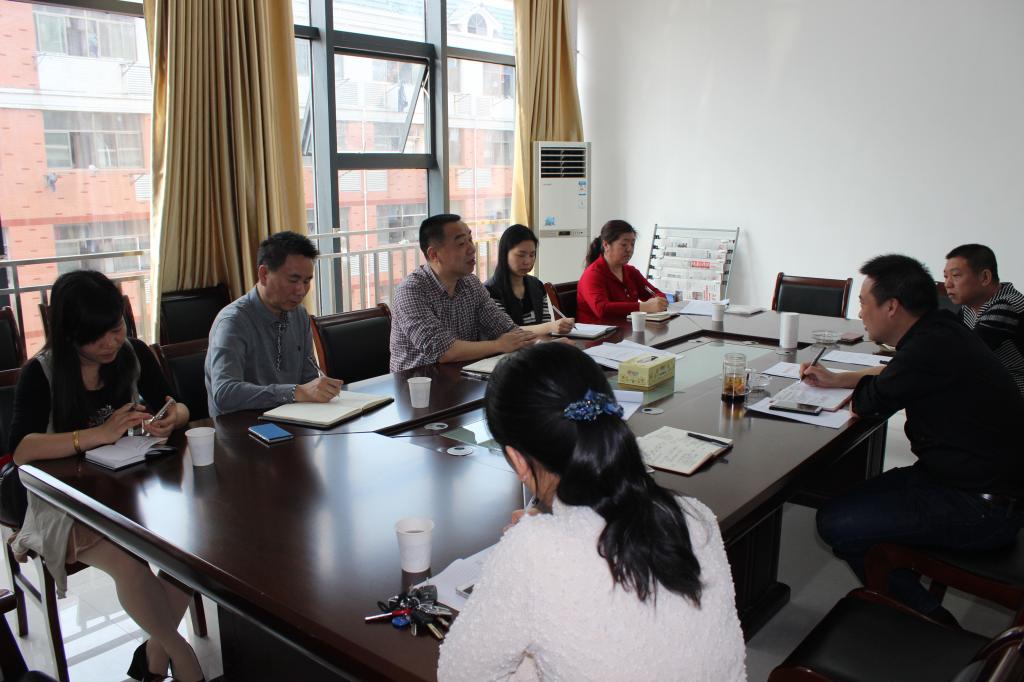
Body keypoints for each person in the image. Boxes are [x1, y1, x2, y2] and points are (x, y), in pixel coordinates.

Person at [437, 343, 746, 680]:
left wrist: (533, 542)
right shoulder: (694, 516)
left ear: (517, 460)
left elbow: (458, 674)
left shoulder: (532, 551)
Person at [802, 254, 1024, 624]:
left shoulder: (925, 349)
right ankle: (901, 590)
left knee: (836, 521)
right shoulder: (941, 329)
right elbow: (894, 376)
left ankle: (928, 619)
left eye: (864, 303)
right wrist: (838, 378)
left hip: (981, 506)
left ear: (891, 307)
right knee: (849, 502)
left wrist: (849, 384)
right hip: (967, 479)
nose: (860, 314)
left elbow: (868, 403)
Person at [9, 271, 205, 682]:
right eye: (97, 337)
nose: (112, 343)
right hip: (66, 502)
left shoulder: (133, 353)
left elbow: (180, 406)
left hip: (130, 488)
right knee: (130, 561)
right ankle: (181, 654)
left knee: (192, 548)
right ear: (69, 335)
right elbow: (22, 450)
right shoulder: (41, 373)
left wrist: (171, 418)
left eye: (116, 329)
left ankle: (153, 659)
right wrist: (96, 435)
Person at [205, 231, 343, 418]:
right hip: (242, 428)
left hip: (294, 421)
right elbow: (224, 394)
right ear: (264, 275)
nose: (301, 290)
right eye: (293, 280)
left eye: (306, 281)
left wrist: (321, 389)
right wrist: (295, 392)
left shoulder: (299, 314)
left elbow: (308, 379)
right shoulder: (233, 322)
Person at [389, 214, 535, 371]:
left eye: (470, 240)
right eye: (461, 243)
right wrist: (500, 345)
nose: (472, 248)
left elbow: (506, 328)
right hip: (418, 382)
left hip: (464, 378)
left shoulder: (471, 284)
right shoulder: (411, 290)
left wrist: (542, 346)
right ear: (434, 254)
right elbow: (444, 351)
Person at [943, 243, 1024, 395]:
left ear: (985, 277)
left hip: (1015, 392)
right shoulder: (969, 307)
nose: (947, 284)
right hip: (994, 388)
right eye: (946, 277)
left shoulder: (1007, 306)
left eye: (956, 276)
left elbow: (963, 354)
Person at [483, 224, 575, 335]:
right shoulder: (489, 291)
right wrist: (550, 327)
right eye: (521, 255)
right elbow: (505, 331)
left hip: (538, 344)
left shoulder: (537, 285)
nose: (527, 261)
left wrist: (552, 331)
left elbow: (545, 326)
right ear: (504, 253)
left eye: (532, 255)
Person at [576, 219, 668, 323]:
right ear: (606, 245)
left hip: (626, 329)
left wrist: (659, 301)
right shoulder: (592, 274)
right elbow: (602, 309)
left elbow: (655, 293)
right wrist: (643, 306)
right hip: (599, 331)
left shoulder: (631, 272)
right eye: (624, 245)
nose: (629, 249)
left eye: (632, 244)